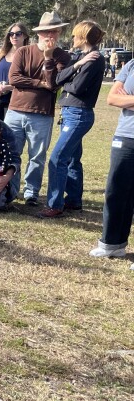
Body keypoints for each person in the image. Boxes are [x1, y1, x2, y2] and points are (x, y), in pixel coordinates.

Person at [41, 21, 106, 218]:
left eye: (75, 35)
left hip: (79, 113)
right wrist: (75, 66)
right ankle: (74, 200)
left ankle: (55, 204)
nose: (72, 39)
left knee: (57, 158)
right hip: (69, 112)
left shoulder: (95, 59)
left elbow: (76, 87)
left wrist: (67, 79)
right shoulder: (80, 57)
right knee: (71, 159)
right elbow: (58, 79)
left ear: (83, 37)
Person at [6, 10, 71, 206]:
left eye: (54, 31)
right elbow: (14, 78)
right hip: (15, 110)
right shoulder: (23, 51)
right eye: (46, 31)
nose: (49, 35)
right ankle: (11, 190)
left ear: (59, 33)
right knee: (11, 152)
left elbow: (53, 84)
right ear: (38, 33)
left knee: (37, 157)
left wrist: (49, 57)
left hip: (42, 114)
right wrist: (39, 83)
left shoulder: (63, 57)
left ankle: (31, 192)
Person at [90, 57, 134, 264]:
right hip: (125, 136)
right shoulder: (131, 64)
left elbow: (122, 99)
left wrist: (130, 99)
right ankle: (112, 245)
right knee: (116, 190)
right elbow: (112, 98)